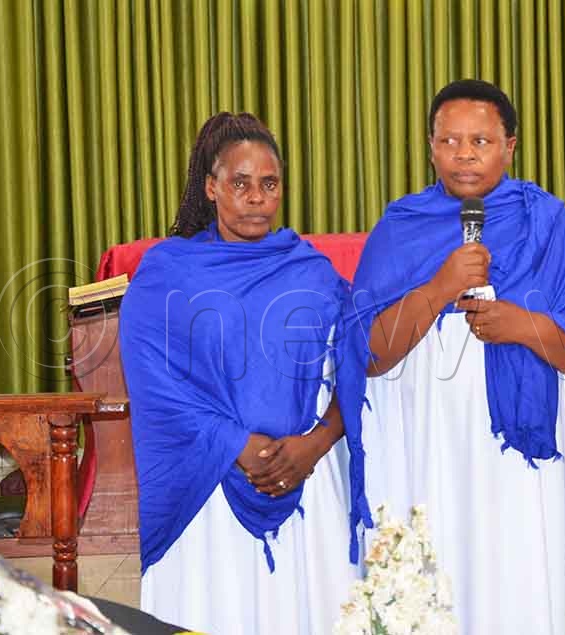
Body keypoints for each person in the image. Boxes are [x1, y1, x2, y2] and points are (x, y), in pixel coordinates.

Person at [347, 79, 565, 634]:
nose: (464, 154)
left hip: (522, 460)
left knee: (520, 575)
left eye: (480, 141)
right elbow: (368, 354)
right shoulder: (402, 226)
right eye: (449, 141)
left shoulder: (549, 224)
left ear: (510, 145)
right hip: (430, 443)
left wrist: (527, 326)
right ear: (429, 145)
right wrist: (439, 287)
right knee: (442, 567)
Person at [119, 112, 364, 635]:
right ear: (212, 187)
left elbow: (357, 360)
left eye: (268, 184)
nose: (256, 197)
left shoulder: (310, 271)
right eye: (240, 183)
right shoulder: (169, 271)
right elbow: (155, 382)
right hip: (207, 484)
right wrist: (236, 444)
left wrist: (314, 446)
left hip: (305, 479)